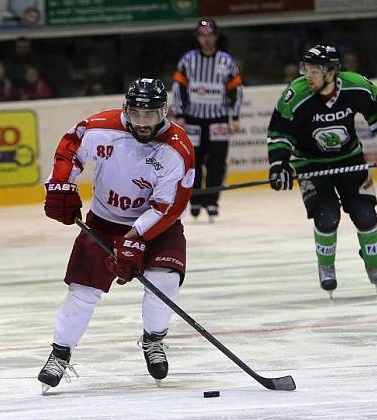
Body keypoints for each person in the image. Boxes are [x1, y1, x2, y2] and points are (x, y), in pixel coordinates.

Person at [37, 78, 194, 392]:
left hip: (155, 229)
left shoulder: (177, 150)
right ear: (126, 109)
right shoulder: (101, 128)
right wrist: (61, 186)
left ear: (165, 111)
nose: (143, 123)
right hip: (104, 224)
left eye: (151, 115)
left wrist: (135, 238)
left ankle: (154, 340)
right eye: (137, 114)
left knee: (164, 281)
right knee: (81, 292)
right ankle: (60, 353)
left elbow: (167, 208)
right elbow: (70, 149)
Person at [267, 45, 377, 296]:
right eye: (306, 69)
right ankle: (327, 267)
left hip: (349, 159)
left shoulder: (358, 87)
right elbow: (279, 133)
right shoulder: (295, 95)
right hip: (309, 163)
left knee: (365, 214)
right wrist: (279, 163)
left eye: (314, 70)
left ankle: (376, 270)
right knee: (327, 216)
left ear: (331, 73)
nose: (308, 76)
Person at [171, 18, 243, 221]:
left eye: (210, 35)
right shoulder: (187, 61)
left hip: (218, 118)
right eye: (202, 35)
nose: (206, 39)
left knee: (217, 163)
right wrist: (181, 114)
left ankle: (212, 201)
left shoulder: (226, 62)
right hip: (193, 119)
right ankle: (195, 199)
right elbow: (178, 88)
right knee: (193, 162)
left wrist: (235, 116)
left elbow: (236, 90)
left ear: (216, 37)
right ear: (197, 37)